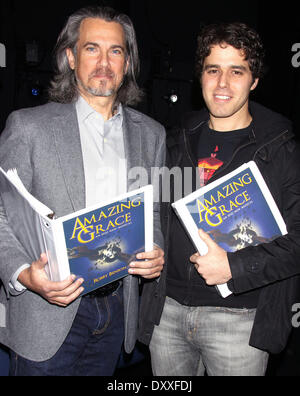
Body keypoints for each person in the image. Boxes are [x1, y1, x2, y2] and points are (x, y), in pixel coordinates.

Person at [0, 6, 165, 376]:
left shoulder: (151, 135)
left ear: (128, 63)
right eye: (92, 49)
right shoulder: (28, 127)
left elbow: (150, 212)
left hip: (117, 312)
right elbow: (0, 213)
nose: (104, 62)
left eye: (116, 51)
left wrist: (156, 250)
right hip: (47, 313)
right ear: (71, 57)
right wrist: (25, 273)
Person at [139, 22, 300, 376]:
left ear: (254, 80)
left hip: (239, 319)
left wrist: (235, 268)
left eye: (236, 71)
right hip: (166, 313)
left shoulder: (281, 150)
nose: (223, 83)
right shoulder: (175, 140)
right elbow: (157, 215)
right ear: (201, 76)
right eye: (213, 70)